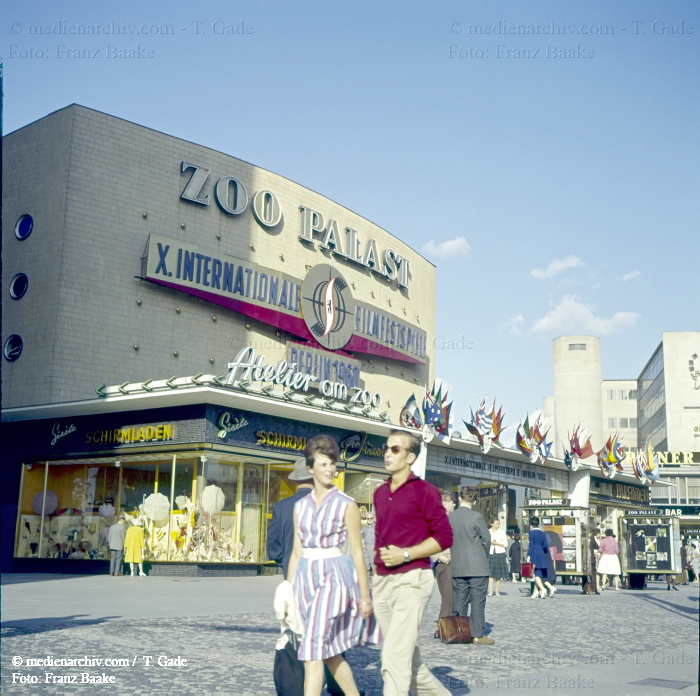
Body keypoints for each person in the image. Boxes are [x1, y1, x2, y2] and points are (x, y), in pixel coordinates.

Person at [286, 435, 377, 696]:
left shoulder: (346, 505)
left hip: (334, 579)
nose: (329, 469)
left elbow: (358, 553)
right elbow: (295, 552)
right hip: (306, 580)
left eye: (332, 464)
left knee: (313, 652)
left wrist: (365, 596)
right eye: (323, 464)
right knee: (329, 654)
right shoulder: (300, 507)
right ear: (311, 468)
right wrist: (288, 591)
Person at [373, 429, 453, 695]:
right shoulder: (380, 493)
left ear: (410, 457)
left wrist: (406, 553)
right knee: (408, 660)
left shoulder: (425, 491)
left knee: (393, 658)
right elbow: (380, 538)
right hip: (383, 582)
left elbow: (444, 537)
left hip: (412, 580)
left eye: (395, 449)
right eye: (386, 448)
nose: (388, 453)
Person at [450, 487, 494, 644]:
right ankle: (477, 634)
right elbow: (486, 540)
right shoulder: (476, 517)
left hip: (457, 566)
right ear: (474, 502)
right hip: (477, 566)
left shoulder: (451, 518)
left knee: (459, 600)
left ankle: (460, 633)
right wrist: (483, 555)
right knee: (477, 601)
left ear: (459, 499)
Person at [266, 457, 314, 578]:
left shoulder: (281, 506)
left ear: (295, 480)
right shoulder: (326, 504)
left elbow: (272, 545)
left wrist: (286, 560)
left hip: (291, 570)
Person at [431, 492, 455, 637]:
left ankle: (449, 625)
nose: (454, 505)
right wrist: (438, 556)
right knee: (447, 596)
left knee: (452, 596)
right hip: (445, 563)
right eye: (452, 502)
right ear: (445, 503)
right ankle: (441, 628)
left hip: (453, 562)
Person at [527, 517, 550, 598]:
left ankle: (542, 589)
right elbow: (545, 545)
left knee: (535, 573)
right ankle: (535, 592)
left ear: (531, 524)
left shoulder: (531, 533)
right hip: (541, 553)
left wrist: (528, 555)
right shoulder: (542, 533)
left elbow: (531, 545)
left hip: (534, 553)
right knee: (538, 573)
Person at [487, 518, 508, 597]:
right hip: (491, 552)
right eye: (496, 523)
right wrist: (491, 543)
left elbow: (505, 544)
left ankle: (497, 590)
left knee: (498, 574)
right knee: (490, 573)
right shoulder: (488, 532)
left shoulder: (501, 532)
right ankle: (490, 591)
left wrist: (497, 543)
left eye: (498, 523)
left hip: (499, 552)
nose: (497, 525)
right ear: (492, 524)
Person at [582, 530, 601, 595]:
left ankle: (585, 589)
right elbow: (596, 546)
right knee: (593, 574)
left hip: (583, 558)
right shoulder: (592, 538)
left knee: (584, 573)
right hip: (591, 558)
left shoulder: (581, 537)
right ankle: (594, 589)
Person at [361, 510, 376, 582]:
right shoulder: (365, 528)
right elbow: (362, 536)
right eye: (368, 518)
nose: (369, 520)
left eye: (371, 518)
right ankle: (367, 582)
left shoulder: (377, 527)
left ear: (373, 518)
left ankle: (375, 582)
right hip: (366, 547)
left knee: (373, 565)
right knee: (366, 564)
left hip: (373, 547)